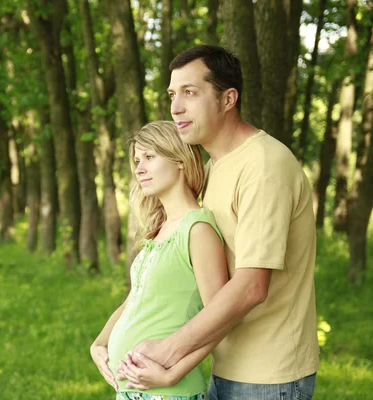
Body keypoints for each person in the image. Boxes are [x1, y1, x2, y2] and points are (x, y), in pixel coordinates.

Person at [118, 45, 319, 400]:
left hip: (267, 375)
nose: (176, 107)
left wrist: (167, 353)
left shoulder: (264, 166)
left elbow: (251, 286)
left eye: (190, 93)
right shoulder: (213, 169)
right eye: (172, 94)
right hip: (225, 364)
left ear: (228, 99)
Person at [90, 120, 228, 400]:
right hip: (134, 392)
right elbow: (135, 299)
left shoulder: (197, 228)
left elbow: (221, 318)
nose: (139, 168)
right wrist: (99, 343)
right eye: (137, 160)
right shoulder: (160, 228)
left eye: (149, 157)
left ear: (179, 160)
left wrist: (172, 373)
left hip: (169, 393)